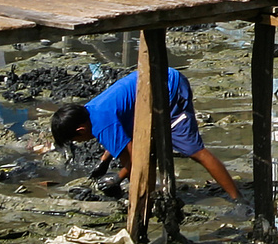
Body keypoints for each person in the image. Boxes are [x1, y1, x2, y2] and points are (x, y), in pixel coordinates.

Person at [50, 67, 240, 201]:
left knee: (194, 151)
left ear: (80, 130)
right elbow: (119, 133)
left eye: (77, 140)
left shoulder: (101, 125)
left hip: (170, 89)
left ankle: (237, 199)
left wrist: (117, 178)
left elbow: (136, 160)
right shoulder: (91, 111)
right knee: (148, 149)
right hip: (154, 86)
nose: (82, 142)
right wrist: (104, 161)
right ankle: (148, 195)